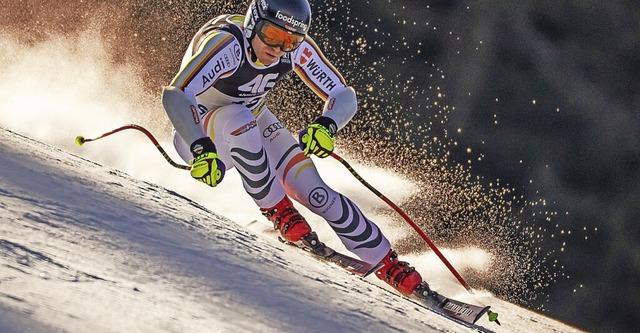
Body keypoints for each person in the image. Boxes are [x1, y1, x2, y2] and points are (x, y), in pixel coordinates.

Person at [161, 0, 423, 296]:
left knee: (313, 189)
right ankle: (279, 211)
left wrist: (327, 125)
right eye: (271, 35)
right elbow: (176, 93)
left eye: (290, 41)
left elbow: (343, 94)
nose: (278, 48)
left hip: (250, 120)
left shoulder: (294, 50)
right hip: (198, 134)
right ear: (252, 24)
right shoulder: (227, 45)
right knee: (240, 116)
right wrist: (200, 147)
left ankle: (388, 263)